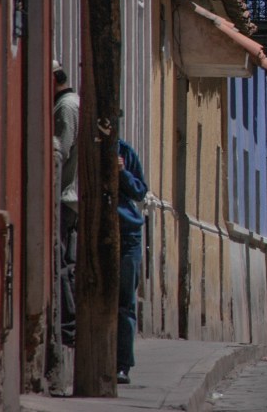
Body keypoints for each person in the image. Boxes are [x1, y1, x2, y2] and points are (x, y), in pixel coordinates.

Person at [116, 137, 148, 385]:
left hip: (128, 235)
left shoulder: (124, 150)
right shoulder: (88, 147)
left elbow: (140, 190)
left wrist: (123, 172)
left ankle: (123, 364)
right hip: (98, 232)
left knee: (125, 301)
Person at [53, 60, 80, 347]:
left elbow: (60, 151)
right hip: (70, 198)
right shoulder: (70, 104)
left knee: (62, 265)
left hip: (66, 197)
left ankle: (69, 326)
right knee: (67, 264)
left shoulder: (66, 107)